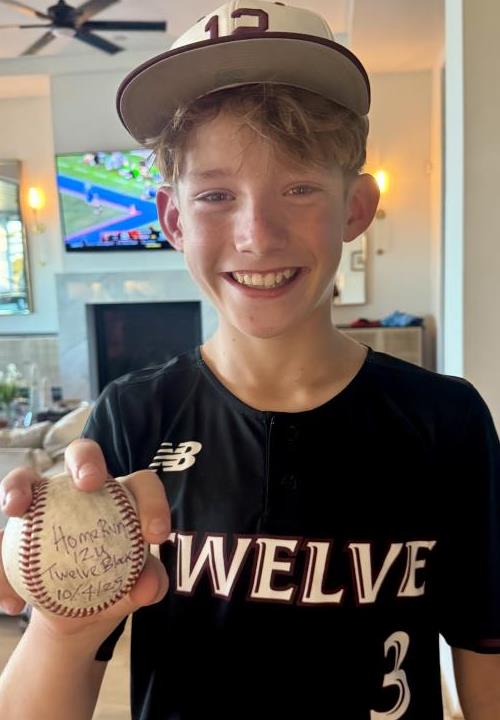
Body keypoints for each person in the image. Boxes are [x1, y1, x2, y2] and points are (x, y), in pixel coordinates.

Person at [1, 1, 500, 718]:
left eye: (298, 188)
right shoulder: (133, 416)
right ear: (172, 219)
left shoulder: (445, 420)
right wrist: (60, 626)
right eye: (215, 195)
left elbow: (486, 660)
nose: (257, 235)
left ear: (356, 207)